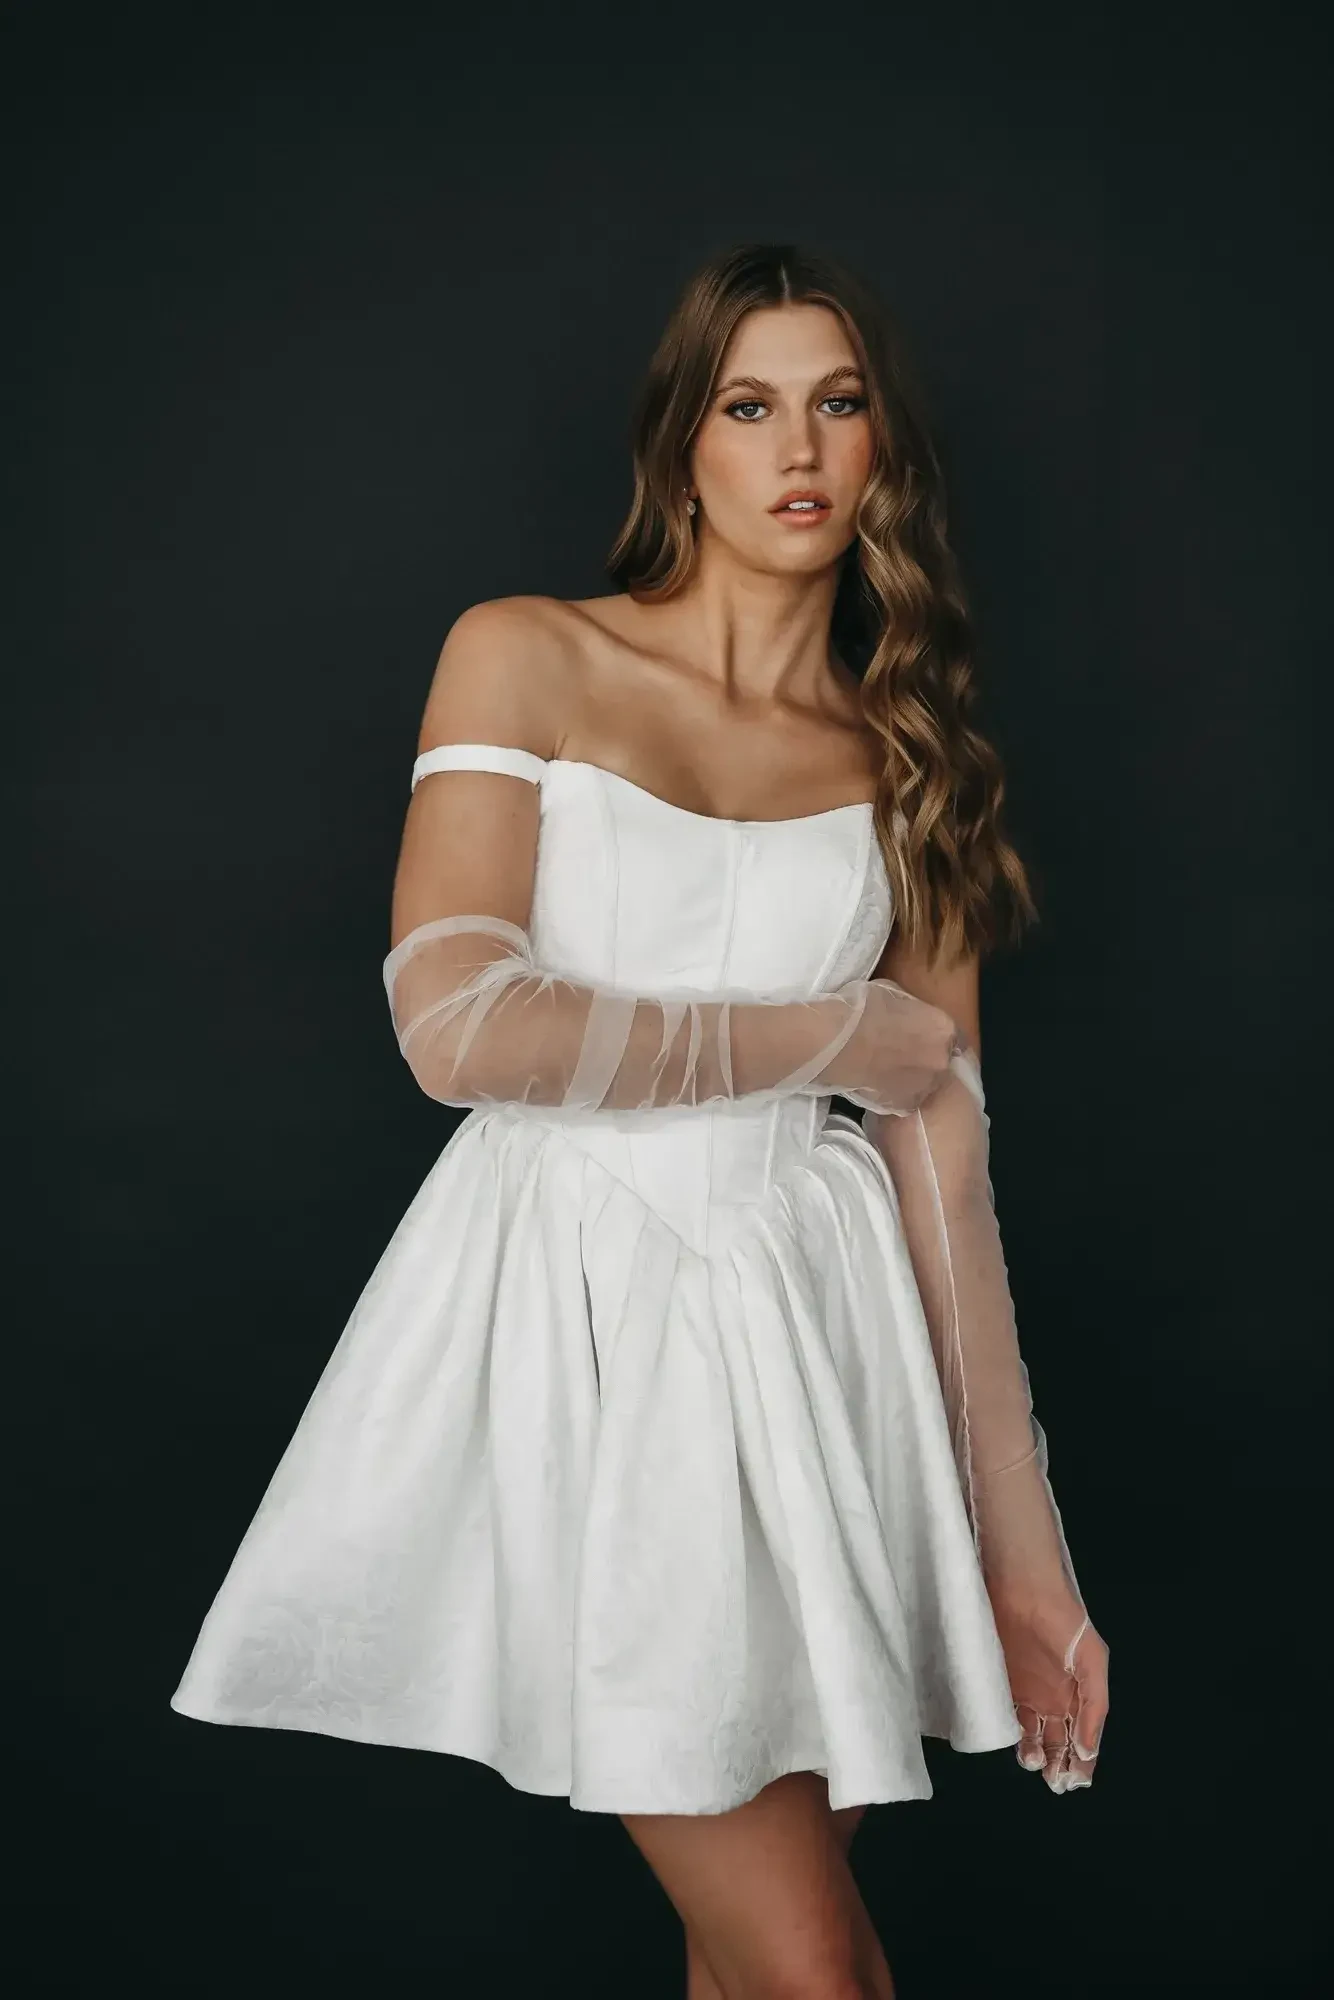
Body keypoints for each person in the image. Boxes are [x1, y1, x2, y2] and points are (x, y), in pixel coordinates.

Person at [172, 241, 1109, 2000]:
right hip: (597, 1313)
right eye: (750, 406)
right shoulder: (528, 657)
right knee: (813, 1970)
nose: (798, 449)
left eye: (839, 406)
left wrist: (1022, 1558)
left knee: (748, 1963)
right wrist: (833, 1027)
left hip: (824, 1350)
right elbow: (455, 1024)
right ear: (682, 445)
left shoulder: (907, 751)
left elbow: (942, 1152)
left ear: (885, 451)